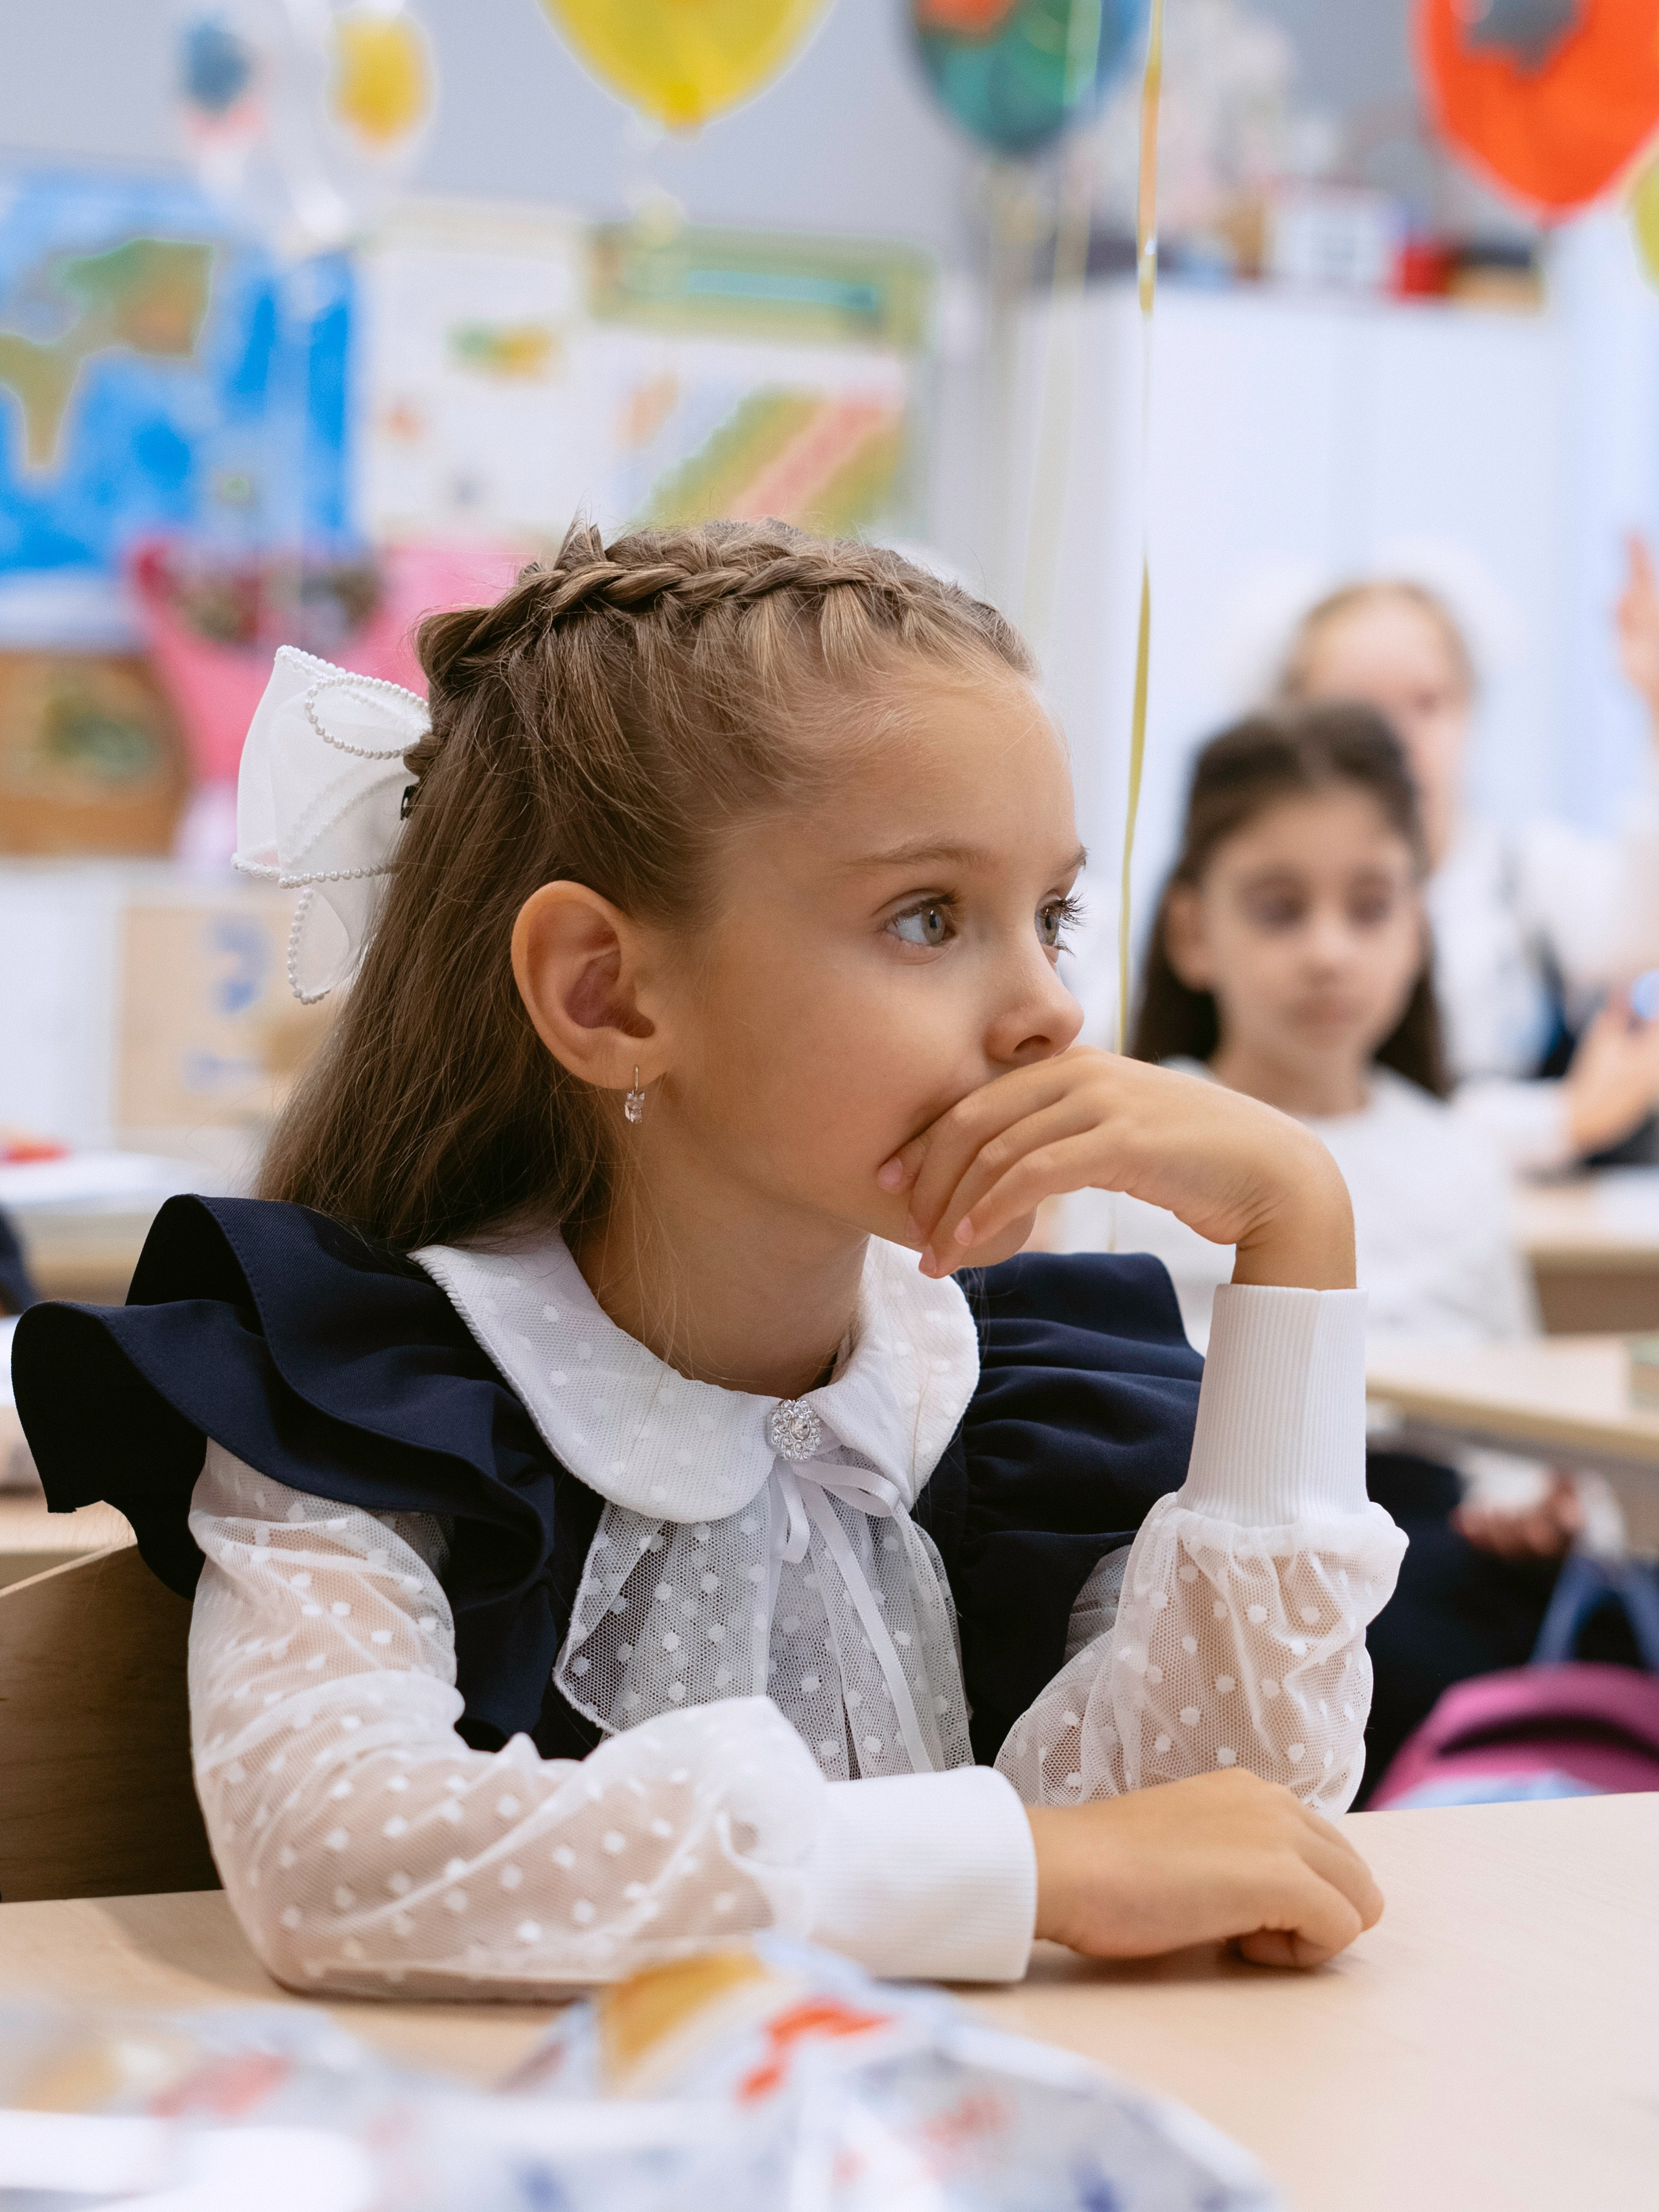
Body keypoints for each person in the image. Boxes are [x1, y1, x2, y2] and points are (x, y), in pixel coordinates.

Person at [14, 523, 1401, 2000]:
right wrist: (1036, 1864)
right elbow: (342, 1855)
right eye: (928, 916)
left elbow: (1247, 1836)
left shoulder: (993, 1395)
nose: (1046, 1011)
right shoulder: (373, 1387)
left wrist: (1294, 1230)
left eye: (1046, 915)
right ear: (606, 994)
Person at [1051, 702, 1615, 1791]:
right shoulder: (1138, 1133)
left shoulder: (1454, 1154)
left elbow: (1524, 1400)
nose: (1329, 949)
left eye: (1371, 906)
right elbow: (1092, 1404)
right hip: (1214, 1529)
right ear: (1192, 931)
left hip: (1438, 1534)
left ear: (1419, 924)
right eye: (1279, 908)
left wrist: (1538, 1505)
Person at [1277, 553, 1659, 1172]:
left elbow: (1640, 928)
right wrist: (1563, 1120)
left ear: (1471, 710)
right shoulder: (1271, 908)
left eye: (1427, 703)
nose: (1397, 739)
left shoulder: (1526, 872)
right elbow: (1321, 1125)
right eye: (1359, 712)